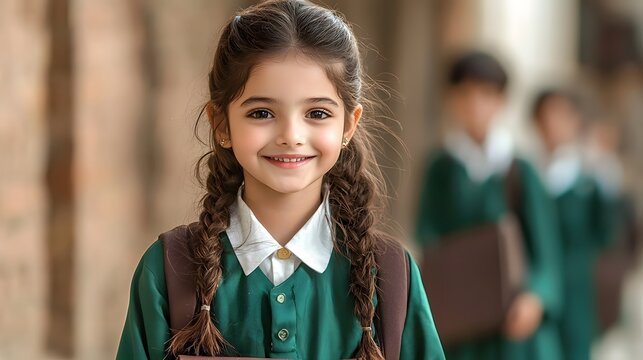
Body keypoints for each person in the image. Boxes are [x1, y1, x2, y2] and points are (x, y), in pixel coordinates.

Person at [116, 1, 444, 359]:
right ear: (221, 124)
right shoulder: (169, 270)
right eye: (262, 113)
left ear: (349, 124)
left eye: (317, 113)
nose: (291, 135)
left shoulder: (391, 276)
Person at [415, 51, 562, 360]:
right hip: (461, 325)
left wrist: (536, 297)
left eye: (486, 94)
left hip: (514, 325)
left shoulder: (520, 170)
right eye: (465, 94)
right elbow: (428, 238)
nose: (475, 105)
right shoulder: (440, 169)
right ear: (451, 98)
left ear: (501, 101)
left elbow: (545, 250)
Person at [531, 89, 619, 360]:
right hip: (534, 296)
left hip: (577, 293)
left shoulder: (590, 181)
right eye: (546, 116)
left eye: (562, 115)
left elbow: (606, 235)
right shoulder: (524, 175)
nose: (553, 124)